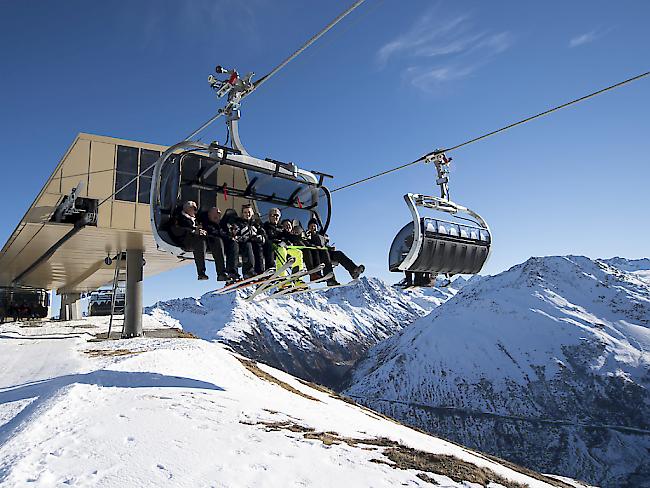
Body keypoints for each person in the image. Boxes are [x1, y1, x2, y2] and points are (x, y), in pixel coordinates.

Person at [170, 201, 223, 281]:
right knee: (200, 241)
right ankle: (201, 272)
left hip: (201, 239)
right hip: (187, 240)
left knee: (216, 240)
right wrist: (193, 231)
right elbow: (176, 230)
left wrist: (203, 231)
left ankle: (221, 272)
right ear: (187, 209)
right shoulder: (179, 217)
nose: (195, 211)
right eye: (194, 208)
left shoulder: (196, 219)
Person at [305, 218, 364, 286]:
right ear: (308, 227)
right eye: (311, 226)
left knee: (338, 254)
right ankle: (330, 280)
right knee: (325, 253)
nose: (313, 227)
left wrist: (329, 248)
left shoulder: (321, 235)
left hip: (325, 251)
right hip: (315, 255)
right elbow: (307, 244)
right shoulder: (307, 235)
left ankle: (354, 270)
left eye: (314, 226)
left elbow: (323, 245)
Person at [198, 206, 239, 282]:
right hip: (211, 243)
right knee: (218, 241)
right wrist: (227, 236)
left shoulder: (222, 224)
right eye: (216, 213)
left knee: (234, 243)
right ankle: (221, 273)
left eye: (219, 214)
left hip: (222, 242)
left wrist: (232, 236)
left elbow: (224, 233)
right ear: (209, 215)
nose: (218, 215)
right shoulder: (206, 223)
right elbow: (214, 232)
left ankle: (232, 272)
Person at [234, 204, 266, 278]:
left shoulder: (256, 223)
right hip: (243, 244)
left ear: (252, 213)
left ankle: (260, 271)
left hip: (254, 242)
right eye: (245, 212)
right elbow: (235, 234)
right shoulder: (239, 223)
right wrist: (242, 237)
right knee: (248, 246)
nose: (247, 214)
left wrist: (261, 237)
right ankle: (248, 271)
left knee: (258, 247)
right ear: (242, 214)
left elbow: (263, 233)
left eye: (249, 212)